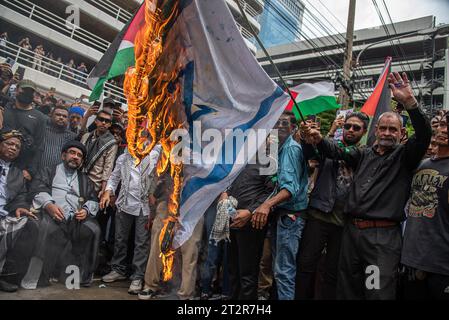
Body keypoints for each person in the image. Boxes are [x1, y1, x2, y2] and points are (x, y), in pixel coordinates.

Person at [302, 72, 432, 299]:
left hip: (380, 240)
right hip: (351, 235)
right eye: (383, 128)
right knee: (346, 290)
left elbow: (423, 134)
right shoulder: (363, 154)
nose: (387, 133)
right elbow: (337, 151)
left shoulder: (405, 156)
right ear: (375, 131)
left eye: (393, 130)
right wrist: (319, 139)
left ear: (402, 133)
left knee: (375, 291)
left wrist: (409, 102)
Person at [297, 112, 369, 300]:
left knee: (332, 271)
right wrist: (306, 137)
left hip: (344, 222)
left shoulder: (364, 153)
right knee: (306, 265)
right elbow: (311, 154)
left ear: (365, 132)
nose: (350, 130)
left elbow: (337, 152)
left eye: (356, 127)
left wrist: (320, 138)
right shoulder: (329, 146)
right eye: (347, 126)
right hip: (319, 216)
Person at [21, 141, 100, 289]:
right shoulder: (48, 171)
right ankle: (38, 277)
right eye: (72, 153)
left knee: (92, 229)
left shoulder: (84, 179)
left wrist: (86, 210)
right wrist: (49, 205)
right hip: (51, 214)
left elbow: (93, 199)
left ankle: (76, 278)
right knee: (44, 227)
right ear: (64, 155)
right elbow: (36, 188)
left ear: (82, 161)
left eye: (79, 155)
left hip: (75, 219)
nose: (75, 157)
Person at [252, 111, 309, 300]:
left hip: (291, 217)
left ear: (293, 129)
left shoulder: (291, 149)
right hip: (283, 216)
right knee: (278, 268)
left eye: (285, 124)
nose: (279, 127)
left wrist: (266, 205)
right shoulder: (280, 148)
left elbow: (289, 189)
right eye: (276, 123)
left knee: (284, 271)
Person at [400, 112, 449, 300]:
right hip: (412, 261)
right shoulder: (422, 165)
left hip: (442, 267)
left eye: (447, 126)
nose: (442, 130)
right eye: (441, 125)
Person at [99, 145, 160, 294]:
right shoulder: (124, 157)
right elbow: (114, 177)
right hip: (124, 204)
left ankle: (138, 276)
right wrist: (108, 192)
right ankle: (118, 269)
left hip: (144, 206)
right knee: (120, 239)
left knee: (141, 242)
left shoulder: (154, 155)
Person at [138, 172, 204, 300]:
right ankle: (150, 285)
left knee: (190, 249)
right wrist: (153, 198)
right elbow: (157, 174)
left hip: (194, 204)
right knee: (158, 241)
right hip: (168, 201)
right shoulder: (169, 153)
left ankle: (186, 293)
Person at [226, 152, 275, 300]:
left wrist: (249, 211)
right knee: (232, 271)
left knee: (247, 273)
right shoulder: (237, 159)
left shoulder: (267, 161)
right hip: (231, 220)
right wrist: (223, 193)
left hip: (251, 224)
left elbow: (271, 191)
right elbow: (224, 181)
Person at [0, 129, 39, 292]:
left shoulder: (17, 173)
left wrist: (20, 208)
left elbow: (21, 195)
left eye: (17, 147)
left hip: (4, 214)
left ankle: (6, 275)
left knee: (30, 224)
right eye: (10, 143)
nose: (13, 148)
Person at [1, 79, 47, 181]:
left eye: (30, 92)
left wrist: (30, 170)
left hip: (19, 168)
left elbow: (39, 146)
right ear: (17, 90)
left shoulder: (39, 117)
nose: (27, 93)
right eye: (24, 90)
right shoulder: (6, 106)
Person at [38, 106, 77, 171]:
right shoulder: (41, 130)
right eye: (58, 115)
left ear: (68, 119)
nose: (61, 117)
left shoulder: (72, 137)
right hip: (37, 172)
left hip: (57, 176)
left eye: (64, 116)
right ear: (51, 115)